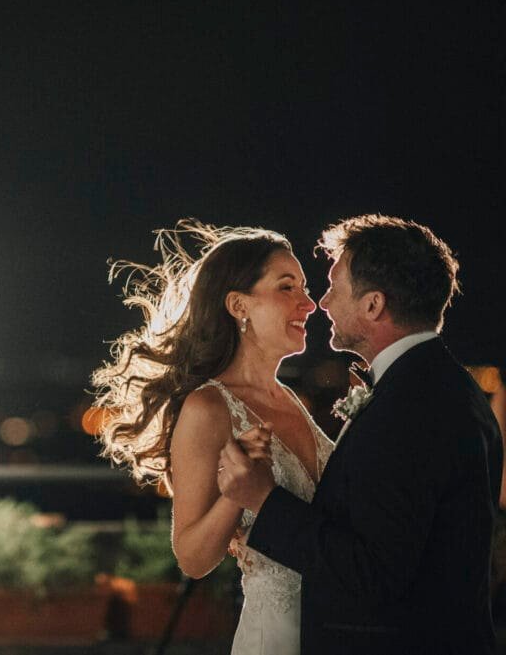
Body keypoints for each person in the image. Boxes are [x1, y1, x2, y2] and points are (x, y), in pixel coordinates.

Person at [217, 214, 503, 655]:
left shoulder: (411, 408)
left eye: (334, 286)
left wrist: (264, 501)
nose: (322, 302)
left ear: (373, 305)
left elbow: (373, 572)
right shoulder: (441, 388)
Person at [93, 219, 330, 655]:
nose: (309, 304)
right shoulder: (209, 408)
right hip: (277, 637)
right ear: (239, 305)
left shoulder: (292, 400)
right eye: (287, 288)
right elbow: (192, 557)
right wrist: (235, 495)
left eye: (304, 288)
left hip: (332, 630)